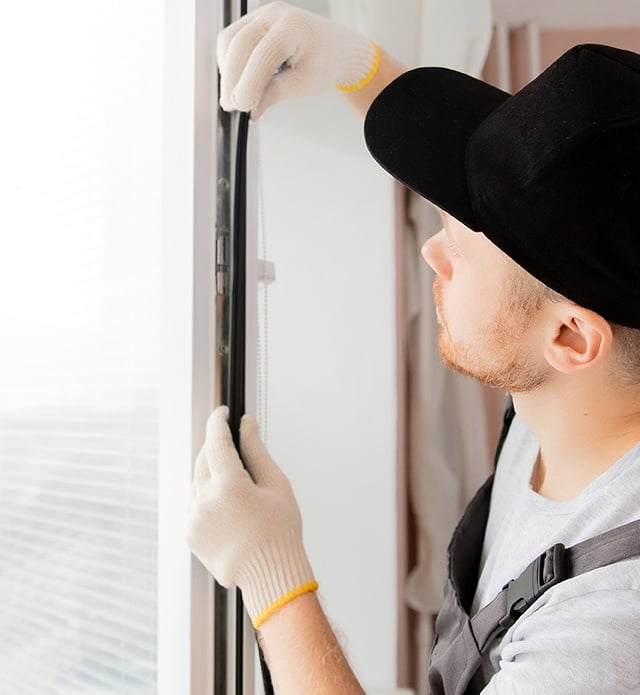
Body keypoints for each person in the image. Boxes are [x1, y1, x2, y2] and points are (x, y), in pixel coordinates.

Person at [187, 2, 640, 693]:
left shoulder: (605, 635)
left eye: (463, 249)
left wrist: (273, 577)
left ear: (571, 337)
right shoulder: (584, 388)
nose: (432, 249)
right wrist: (353, 65)